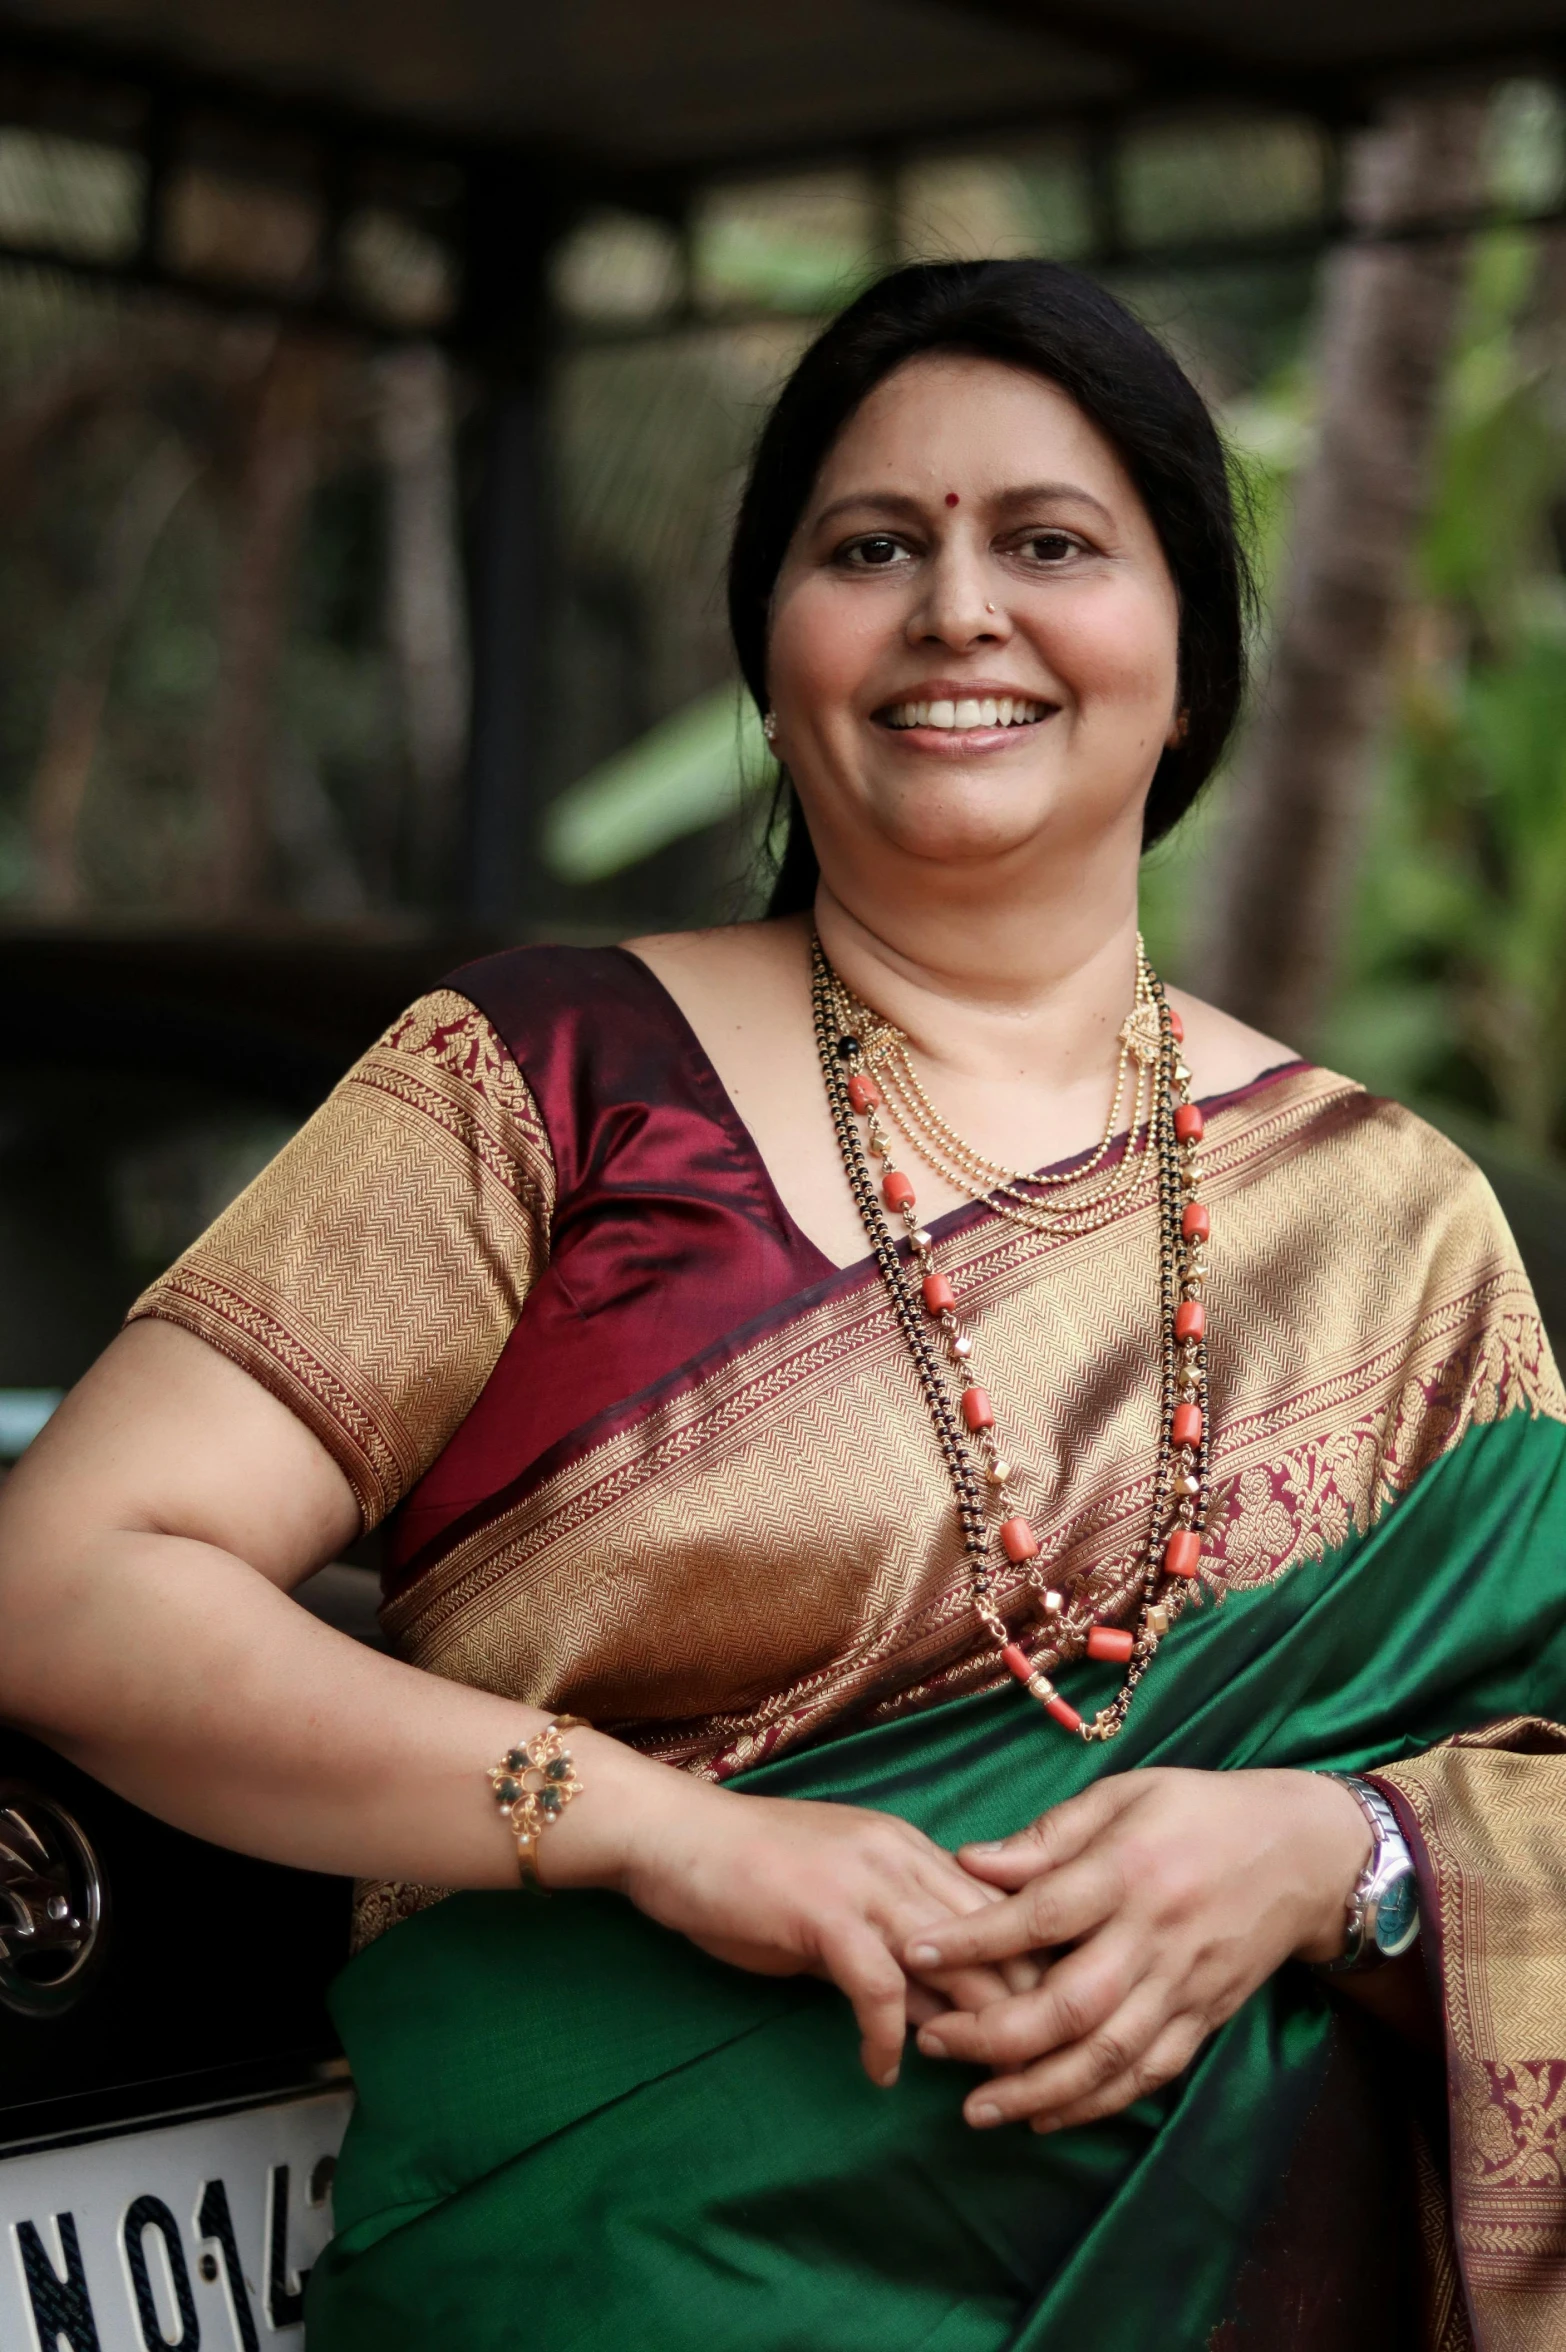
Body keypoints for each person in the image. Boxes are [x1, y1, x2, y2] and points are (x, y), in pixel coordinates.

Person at [2, 259, 1563, 2350]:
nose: (957, 608)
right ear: (773, 647)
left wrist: (1340, 1849)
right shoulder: (540, 1087)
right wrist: (647, 1831)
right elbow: (74, 1575)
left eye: (1051, 542)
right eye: (871, 546)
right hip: (599, 2290)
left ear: (1192, 660)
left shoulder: (1395, 1222)